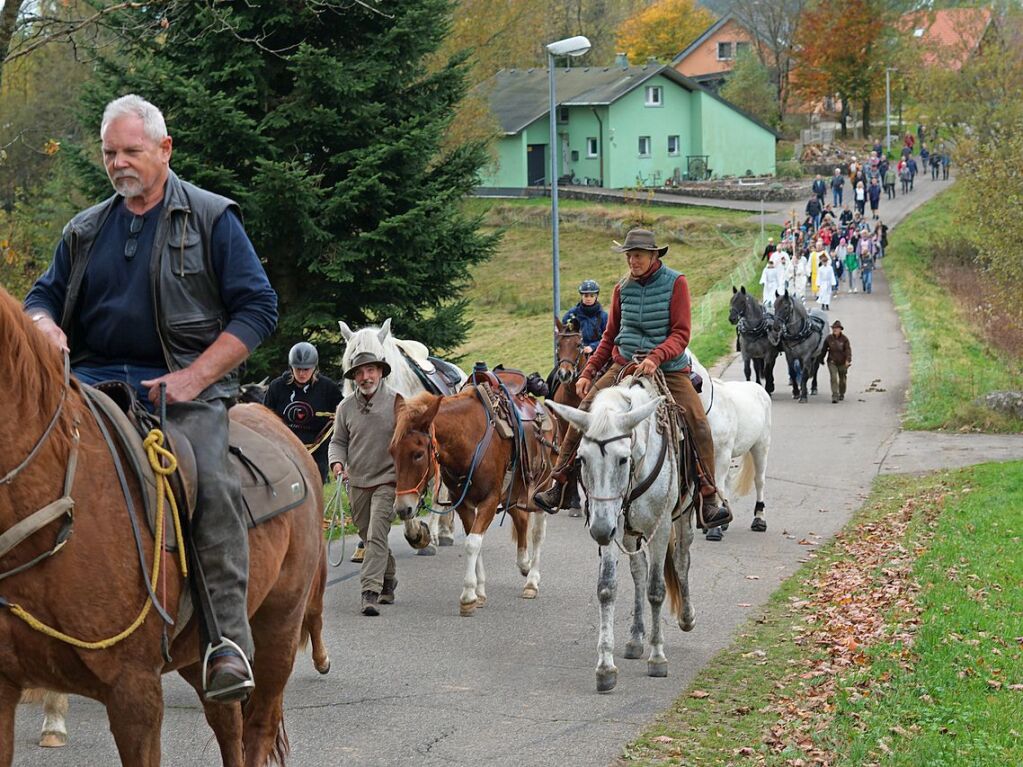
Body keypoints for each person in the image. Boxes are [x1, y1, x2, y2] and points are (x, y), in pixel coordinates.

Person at [23, 94, 278, 703]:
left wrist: (194, 378)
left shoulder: (215, 219)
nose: (118, 163)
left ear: (164, 150)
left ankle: (226, 643)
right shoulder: (84, 228)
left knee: (210, 486)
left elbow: (258, 309)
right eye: (110, 153)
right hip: (87, 388)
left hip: (179, 392)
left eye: (131, 151)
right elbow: (41, 297)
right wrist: (45, 326)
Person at [532, 229, 731, 529]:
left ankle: (709, 495)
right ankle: (559, 482)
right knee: (584, 410)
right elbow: (610, 336)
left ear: (653, 255)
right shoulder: (621, 288)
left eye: (637, 255)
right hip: (624, 364)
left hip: (669, 367)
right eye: (628, 255)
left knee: (699, 423)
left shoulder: (676, 283)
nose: (632, 260)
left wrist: (657, 357)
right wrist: (588, 371)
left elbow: (681, 333)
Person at [328, 351, 399, 616]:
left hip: (388, 480)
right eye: (359, 373)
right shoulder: (345, 407)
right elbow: (338, 442)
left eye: (370, 371)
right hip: (356, 481)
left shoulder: (397, 403)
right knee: (367, 535)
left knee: (376, 533)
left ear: (380, 372)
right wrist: (337, 463)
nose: (365, 377)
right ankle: (389, 578)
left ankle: (370, 591)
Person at [264, 342, 342, 482]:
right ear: (291, 367)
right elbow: (266, 418)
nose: (302, 373)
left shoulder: (328, 388)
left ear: (314, 368)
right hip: (285, 450)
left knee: (313, 493)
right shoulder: (277, 387)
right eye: (298, 368)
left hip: (317, 454)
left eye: (306, 369)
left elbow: (343, 415)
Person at [562, 279, 608, 354]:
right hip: (575, 353)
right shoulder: (571, 315)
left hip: (598, 353)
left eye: (592, 296)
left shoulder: (604, 317)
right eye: (586, 296)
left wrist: (593, 347)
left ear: (596, 296)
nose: (588, 299)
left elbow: (608, 338)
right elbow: (564, 335)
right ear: (581, 296)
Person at [822, 320, 852, 404]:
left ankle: (841, 393)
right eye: (833, 328)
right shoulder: (829, 338)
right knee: (833, 377)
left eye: (836, 328)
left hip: (843, 362)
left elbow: (848, 351)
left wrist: (848, 360)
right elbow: (824, 350)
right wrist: (820, 359)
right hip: (832, 361)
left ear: (840, 329)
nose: (834, 330)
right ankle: (835, 395)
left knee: (842, 380)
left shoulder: (845, 339)